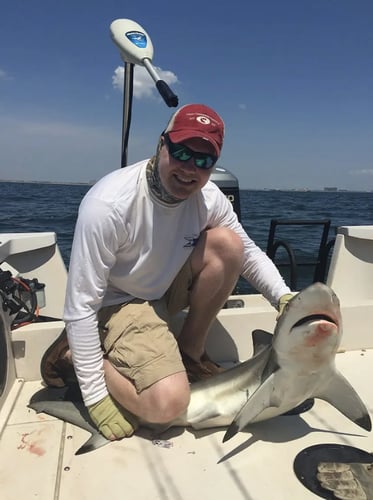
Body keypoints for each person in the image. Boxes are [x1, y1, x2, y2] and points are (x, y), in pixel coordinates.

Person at [41, 103, 292, 441]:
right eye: (182, 153)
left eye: (204, 161)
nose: (190, 169)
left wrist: (284, 297)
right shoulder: (108, 205)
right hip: (118, 303)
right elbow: (81, 305)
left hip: (162, 289)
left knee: (228, 245)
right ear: (162, 144)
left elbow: (247, 252)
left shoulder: (209, 198)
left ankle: (189, 354)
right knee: (166, 408)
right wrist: (97, 396)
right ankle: (72, 355)